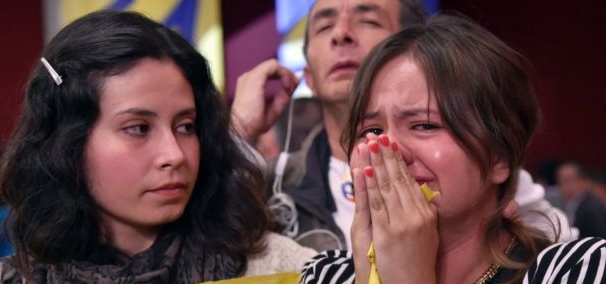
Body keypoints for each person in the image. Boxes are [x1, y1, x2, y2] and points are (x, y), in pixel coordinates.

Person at [0, 10, 315, 284]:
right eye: (138, 128)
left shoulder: (271, 269)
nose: (174, 154)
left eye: (185, 126)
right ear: (69, 143)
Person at [285, 14, 606, 284]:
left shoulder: (573, 277)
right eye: (372, 131)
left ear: (500, 157)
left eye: (424, 125)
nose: (390, 151)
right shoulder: (322, 283)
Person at [230, 0, 574, 251]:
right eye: (323, 26)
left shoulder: (486, 182)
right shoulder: (270, 188)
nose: (342, 35)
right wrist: (237, 128)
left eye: (368, 21)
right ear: (308, 77)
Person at [557, 161, 606, 238]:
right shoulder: (571, 204)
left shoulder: (591, 207)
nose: (562, 185)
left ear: (581, 180)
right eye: (560, 181)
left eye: (567, 180)